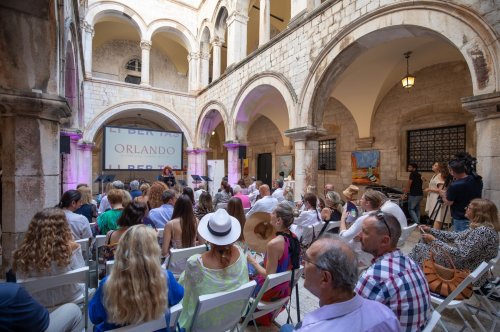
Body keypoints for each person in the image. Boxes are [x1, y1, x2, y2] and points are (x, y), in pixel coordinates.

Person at [280, 235, 399, 332]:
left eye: (306, 260)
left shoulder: (311, 328)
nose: (302, 264)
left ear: (325, 278)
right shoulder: (386, 315)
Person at [89, 225, 184, 332]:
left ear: (121, 249)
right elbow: (178, 296)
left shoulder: (107, 284)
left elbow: (94, 317)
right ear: (154, 250)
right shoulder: (166, 278)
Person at [356, 211, 431, 332]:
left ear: (385, 241)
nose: (359, 235)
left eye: (365, 232)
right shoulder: (411, 263)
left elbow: (352, 316)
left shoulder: (374, 276)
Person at [178, 209, 248, 329]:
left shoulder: (195, 263)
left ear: (208, 237)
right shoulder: (240, 253)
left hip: (203, 324)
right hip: (230, 319)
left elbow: (186, 295)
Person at [410, 198, 499, 287]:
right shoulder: (481, 228)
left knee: (420, 249)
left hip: (465, 271)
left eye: (469, 207)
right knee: (424, 243)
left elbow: (461, 255)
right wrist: (431, 230)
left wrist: (434, 240)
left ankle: (412, 278)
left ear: (479, 213)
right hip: (465, 265)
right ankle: (416, 276)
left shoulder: (483, 232)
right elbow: (454, 236)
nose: (466, 208)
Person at [13, 208, 85, 308]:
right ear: (64, 227)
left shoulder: (22, 254)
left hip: (37, 303)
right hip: (70, 298)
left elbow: (21, 280)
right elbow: (80, 275)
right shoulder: (72, 248)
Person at [247, 202, 301, 326]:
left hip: (269, 292)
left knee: (245, 274)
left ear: (279, 220)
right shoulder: (294, 237)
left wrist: (252, 260)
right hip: (285, 288)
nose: (270, 214)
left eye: (272, 213)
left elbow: (268, 275)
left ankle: (246, 314)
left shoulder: (274, 244)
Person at [0, 283, 84, 332]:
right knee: (74, 309)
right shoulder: (11, 293)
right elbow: (40, 321)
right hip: (71, 297)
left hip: (39, 302)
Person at [339, 189, 382, 266]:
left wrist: (342, 219)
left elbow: (344, 237)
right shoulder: (381, 215)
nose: (360, 200)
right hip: (372, 252)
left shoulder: (352, 207)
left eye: (362, 199)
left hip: (361, 255)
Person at [161, 194, 202, 275]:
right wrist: (192, 242)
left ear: (176, 207)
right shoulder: (196, 221)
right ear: (190, 208)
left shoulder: (170, 224)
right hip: (192, 264)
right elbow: (202, 243)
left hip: (175, 267)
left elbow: (164, 252)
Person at [441, 155, 483, 231]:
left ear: (451, 171)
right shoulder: (477, 179)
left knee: (461, 240)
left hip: (461, 218)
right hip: (475, 215)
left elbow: (449, 202)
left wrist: (443, 195)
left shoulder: (455, 185)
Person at [424, 162, 451, 229]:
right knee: (435, 217)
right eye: (433, 165)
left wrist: (429, 189)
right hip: (433, 197)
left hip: (437, 198)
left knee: (438, 218)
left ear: (440, 168)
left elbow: (442, 189)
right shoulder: (434, 175)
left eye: (435, 165)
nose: (433, 166)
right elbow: (434, 185)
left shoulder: (440, 175)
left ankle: (435, 234)